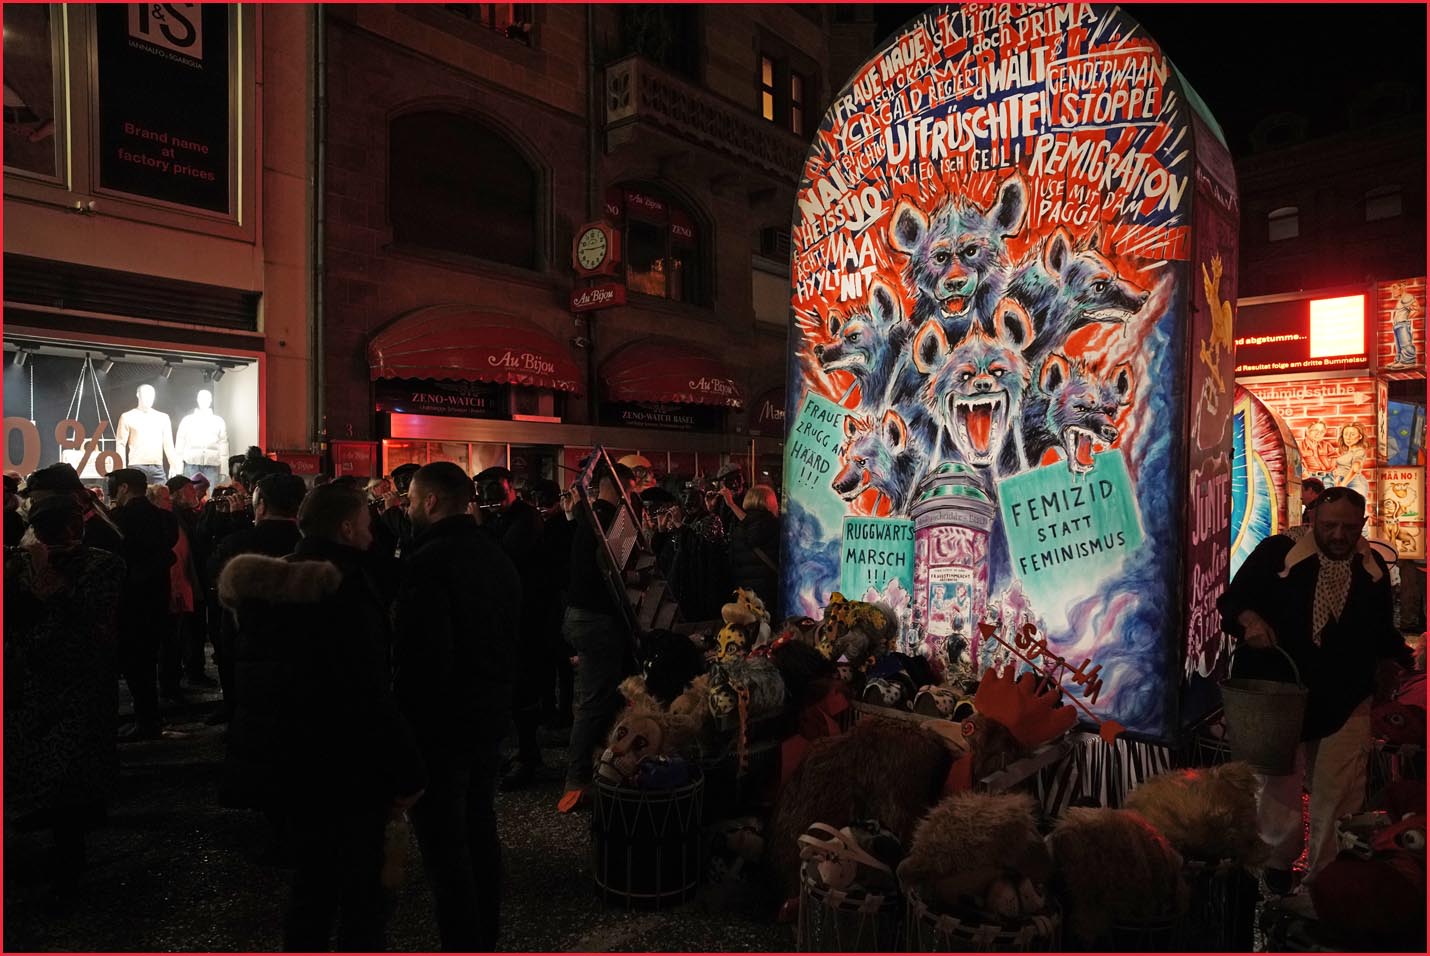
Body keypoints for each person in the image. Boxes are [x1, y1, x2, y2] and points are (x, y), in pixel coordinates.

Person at [218, 482, 425, 951]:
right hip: (346, 763)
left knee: (311, 887)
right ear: (347, 528)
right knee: (363, 897)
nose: (372, 535)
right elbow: (367, 690)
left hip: (287, 757)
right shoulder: (344, 588)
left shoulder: (264, 588)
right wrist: (408, 768)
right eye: (367, 525)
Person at [1217, 486, 1413, 907]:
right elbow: (1233, 601)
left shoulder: (1372, 568)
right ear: (1312, 520)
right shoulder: (1277, 554)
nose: (1339, 535)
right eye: (1329, 526)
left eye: (1349, 527)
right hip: (1279, 692)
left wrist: (1402, 660)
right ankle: (1276, 859)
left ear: (1362, 524)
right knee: (1277, 782)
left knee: (1339, 789)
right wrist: (1251, 622)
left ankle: (1325, 879)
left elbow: (1382, 631)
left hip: (1345, 694)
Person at [392, 462, 520, 951]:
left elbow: (423, 659)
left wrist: (408, 729)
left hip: (443, 727)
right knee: (479, 829)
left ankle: (463, 941)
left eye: (410, 500)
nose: (405, 508)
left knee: (446, 848)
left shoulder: (429, 563)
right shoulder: (495, 555)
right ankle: (485, 936)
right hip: (488, 714)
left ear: (430, 502)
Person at [4, 495, 126, 901]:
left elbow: (89, 614)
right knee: (48, 768)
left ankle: (67, 863)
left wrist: (48, 580)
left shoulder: (100, 564)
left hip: (74, 679)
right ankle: (58, 852)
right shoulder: (22, 564)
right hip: (39, 679)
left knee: (67, 771)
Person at [559, 461, 638, 813]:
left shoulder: (587, 516)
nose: (632, 497)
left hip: (579, 615)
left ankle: (597, 767)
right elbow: (625, 568)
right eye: (631, 490)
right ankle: (577, 780)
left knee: (599, 696)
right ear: (620, 487)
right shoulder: (615, 520)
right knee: (594, 701)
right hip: (598, 619)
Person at [206, 473, 308, 724]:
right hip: (301, 642)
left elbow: (213, 575)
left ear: (261, 505)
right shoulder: (309, 543)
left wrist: (231, 521)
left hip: (249, 643)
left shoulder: (238, 542)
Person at [106, 468, 179, 740]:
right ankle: (150, 718)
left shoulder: (119, 518)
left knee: (135, 664)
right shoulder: (165, 518)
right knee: (149, 659)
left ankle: (146, 720)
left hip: (130, 599)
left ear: (124, 487)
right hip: (158, 596)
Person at [728, 484, 782, 619]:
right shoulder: (774, 525)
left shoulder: (739, 528)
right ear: (769, 502)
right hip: (769, 588)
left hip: (745, 591)